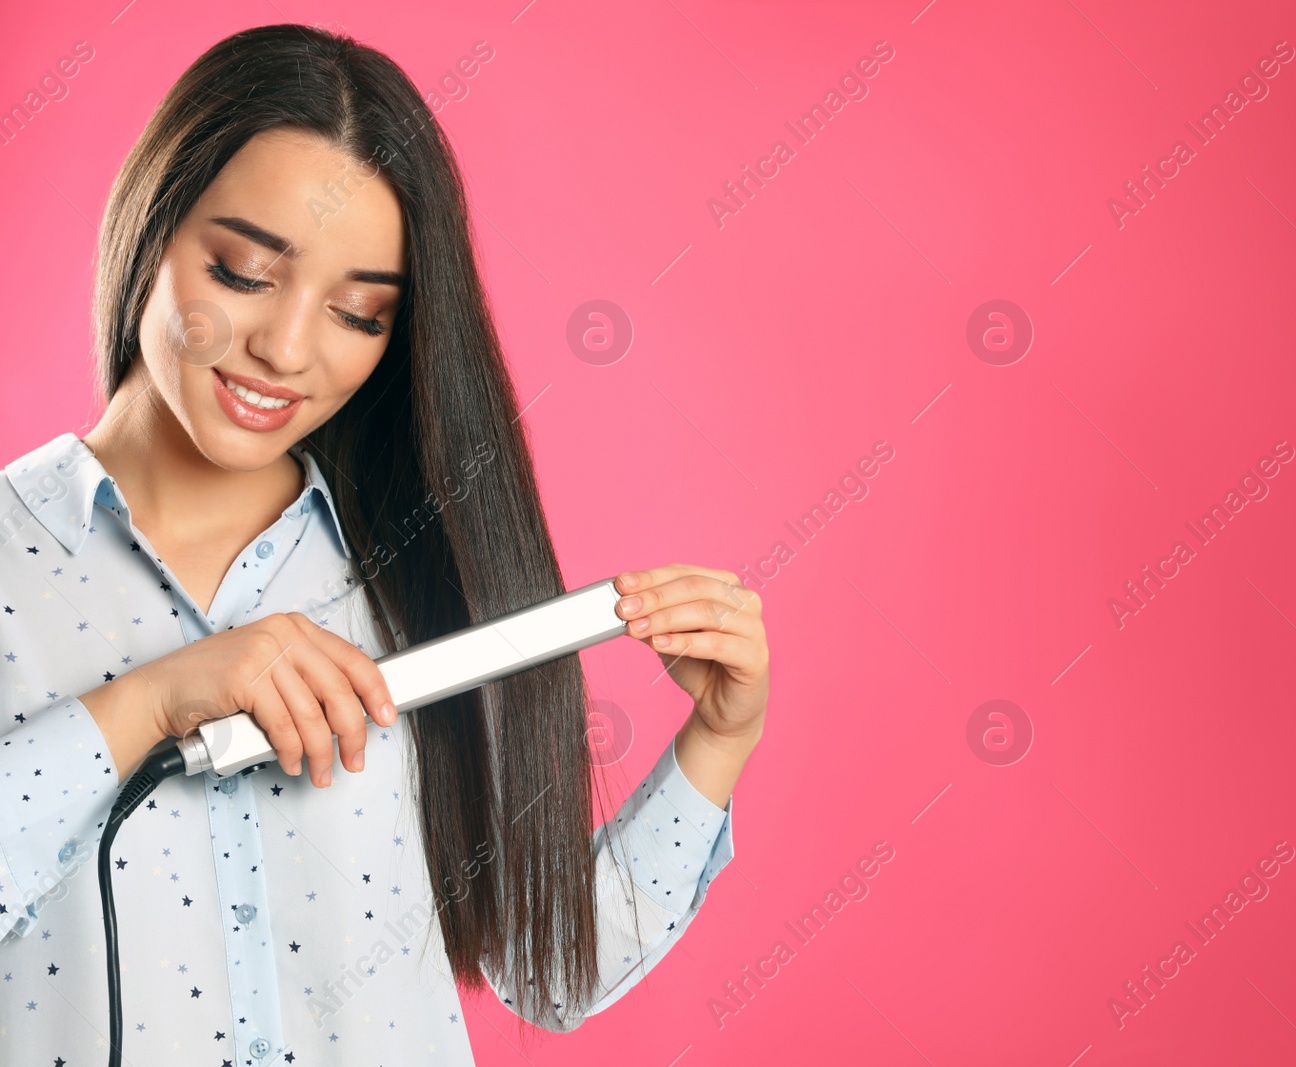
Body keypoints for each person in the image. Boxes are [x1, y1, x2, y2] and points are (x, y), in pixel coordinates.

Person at [0, 22, 769, 1066]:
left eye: (359, 315)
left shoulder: (418, 576)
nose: (286, 348)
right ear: (151, 226)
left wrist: (713, 745)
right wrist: (148, 700)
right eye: (242, 272)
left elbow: (545, 971)